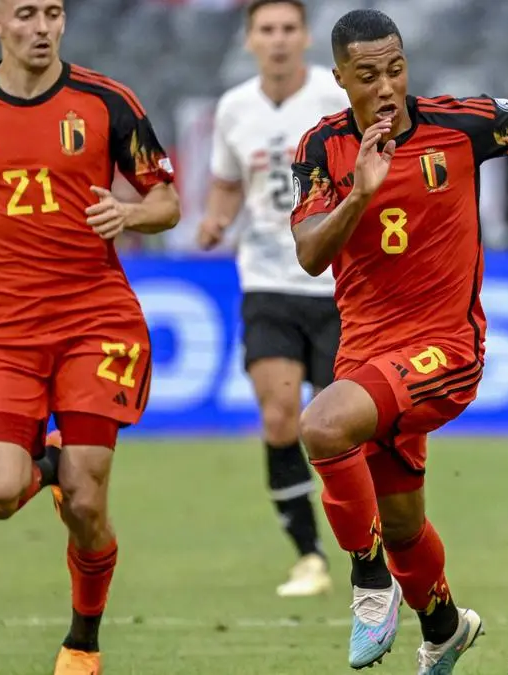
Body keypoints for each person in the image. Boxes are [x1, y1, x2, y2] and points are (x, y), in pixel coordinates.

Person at [288, 8, 508, 673]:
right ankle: (443, 624)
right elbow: (311, 254)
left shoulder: (459, 125)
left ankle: (368, 580)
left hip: (446, 350)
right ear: (341, 78)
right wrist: (358, 196)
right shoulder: (322, 149)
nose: (386, 87)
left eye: (396, 69)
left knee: (319, 426)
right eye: (368, 75)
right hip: (366, 358)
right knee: (402, 524)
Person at [0, 1, 180, 673]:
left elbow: (167, 200)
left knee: (87, 502)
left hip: (96, 321)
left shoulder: (106, 101)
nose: (43, 26)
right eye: (26, 14)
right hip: (7, 332)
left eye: (53, 12)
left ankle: (83, 640)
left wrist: (132, 211)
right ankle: (50, 460)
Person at [197, 0, 348, 599]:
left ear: (306, 37)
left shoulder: (334, 100)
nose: (279, 40)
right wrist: (213, 223)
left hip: (338, 287)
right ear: (249, 39)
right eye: (267, 30)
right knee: (281, 417)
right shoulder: (234, 109)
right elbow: (229, 186)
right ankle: (309, 556)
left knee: (344, 429)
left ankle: (372, 548)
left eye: (289, 29)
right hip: (267, 284)